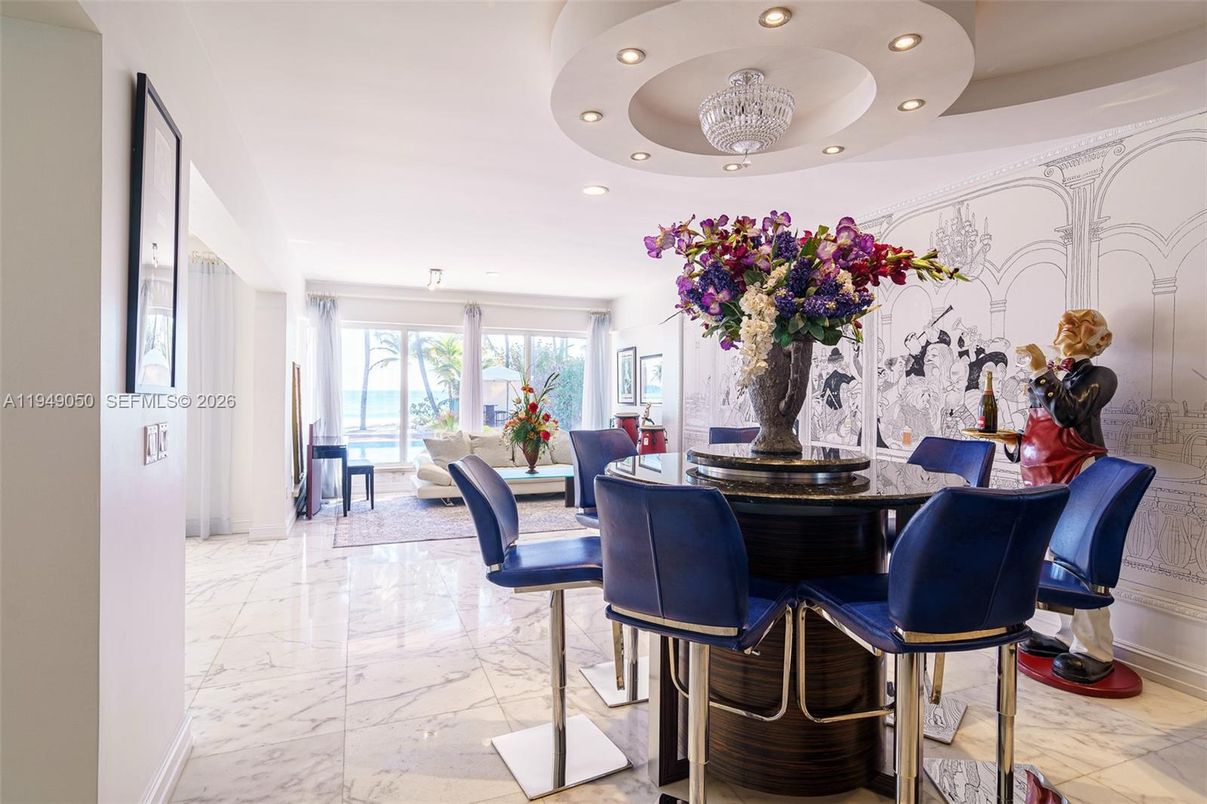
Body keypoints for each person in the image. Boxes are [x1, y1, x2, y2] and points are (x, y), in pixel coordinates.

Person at [1011, 309, 1119, 684]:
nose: (1069, 324)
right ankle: (1067, 636)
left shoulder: (1101, 377)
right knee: (1059, 560)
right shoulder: (1056, 375)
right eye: (1066, 321)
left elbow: (1068, 415)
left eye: (1083, 322)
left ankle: (1095, 651)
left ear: (1100, 340)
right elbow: (1041, 430)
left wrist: (1042, 371)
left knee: (1083, 561)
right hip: (1046, 482)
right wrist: (1017, 445)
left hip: (1080, 475)